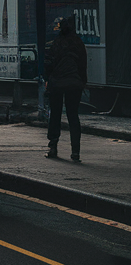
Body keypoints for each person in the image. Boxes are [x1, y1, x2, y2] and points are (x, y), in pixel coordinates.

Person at [45, 16, 87, 162]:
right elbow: (83, 65)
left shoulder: (56, 43)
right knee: (73, 116)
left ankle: (53, 146)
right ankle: (75, 151)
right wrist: (82, 82)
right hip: (74, 83)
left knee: (55, 114)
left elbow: (49, 63)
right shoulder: (78, 43)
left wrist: (47, 80)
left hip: (57, 83)